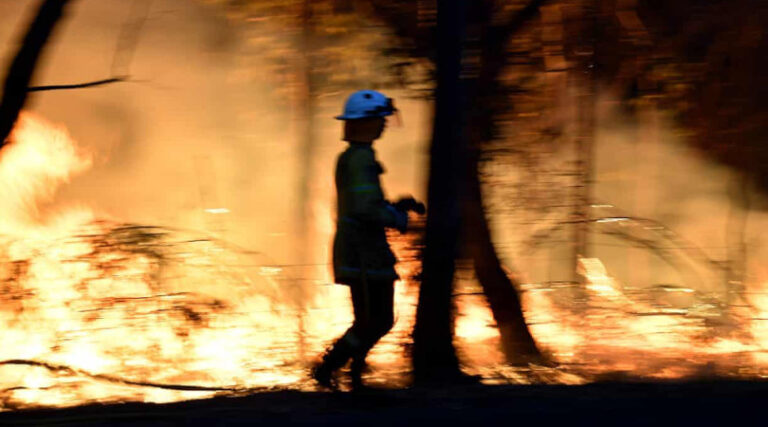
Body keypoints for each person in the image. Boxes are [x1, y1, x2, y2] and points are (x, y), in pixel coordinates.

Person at [311, 90, 424, 389]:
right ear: (365, 122)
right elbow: (364, 208)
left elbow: (365, 202)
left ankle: (351, 372)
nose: (384, 124)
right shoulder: (360, 159)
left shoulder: (357, 157)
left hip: (364, 250)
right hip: (362, 252)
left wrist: (396, 206)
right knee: (375, 319)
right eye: (380, 119)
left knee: (374, 319)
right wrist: (395, 217)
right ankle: (332, 368)